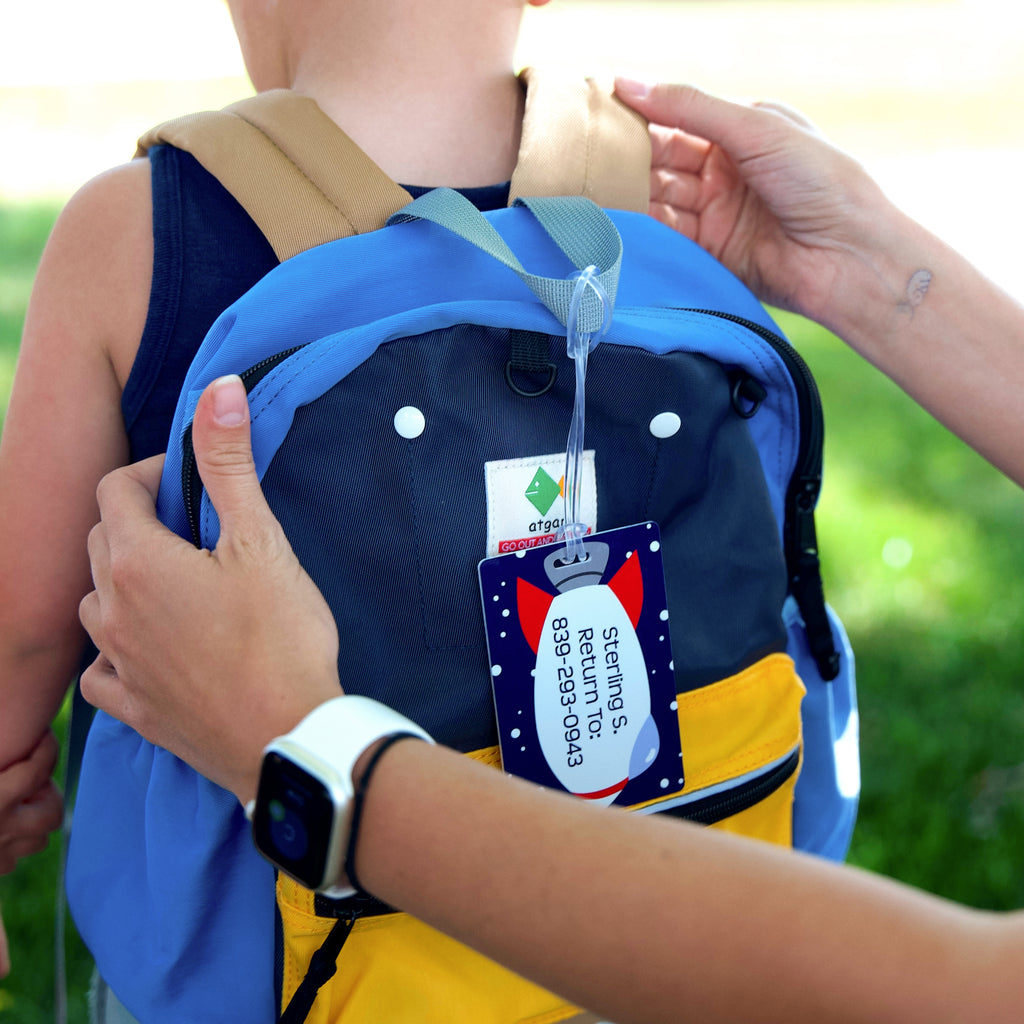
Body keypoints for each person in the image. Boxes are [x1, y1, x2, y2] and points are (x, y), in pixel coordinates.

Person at [76, 82, 1024, 1022]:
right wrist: (856, 259)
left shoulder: (142, 223)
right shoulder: (626, 189)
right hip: (725, 857)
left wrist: (298, 742)